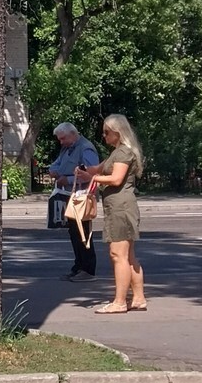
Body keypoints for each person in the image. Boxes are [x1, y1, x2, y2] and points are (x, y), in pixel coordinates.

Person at [76, 114, 146, 314]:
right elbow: (96, 169)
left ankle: (120, 302)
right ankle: (138, 299)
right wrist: (85, 172)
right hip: (120, 207)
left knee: (118, 255)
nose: (104, 135)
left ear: (118, 132)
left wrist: (95, 178)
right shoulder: (117, 152)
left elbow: (116, 179)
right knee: (129, 256)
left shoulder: (123, 153)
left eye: (107, 132)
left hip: (120, 208)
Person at [48, 122, 101, 282]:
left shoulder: (85, 148)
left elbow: (92, 174)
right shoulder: (67, 147)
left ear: (73, 134)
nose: (61, 142)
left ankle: (88, 269)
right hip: (70, 195)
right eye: (59, 139)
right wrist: (54, 171)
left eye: (63, 138)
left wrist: (68, 179)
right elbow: (57, 164)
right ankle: (78, 267)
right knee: (74, 232)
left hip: (83, 197)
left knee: (83, 233)